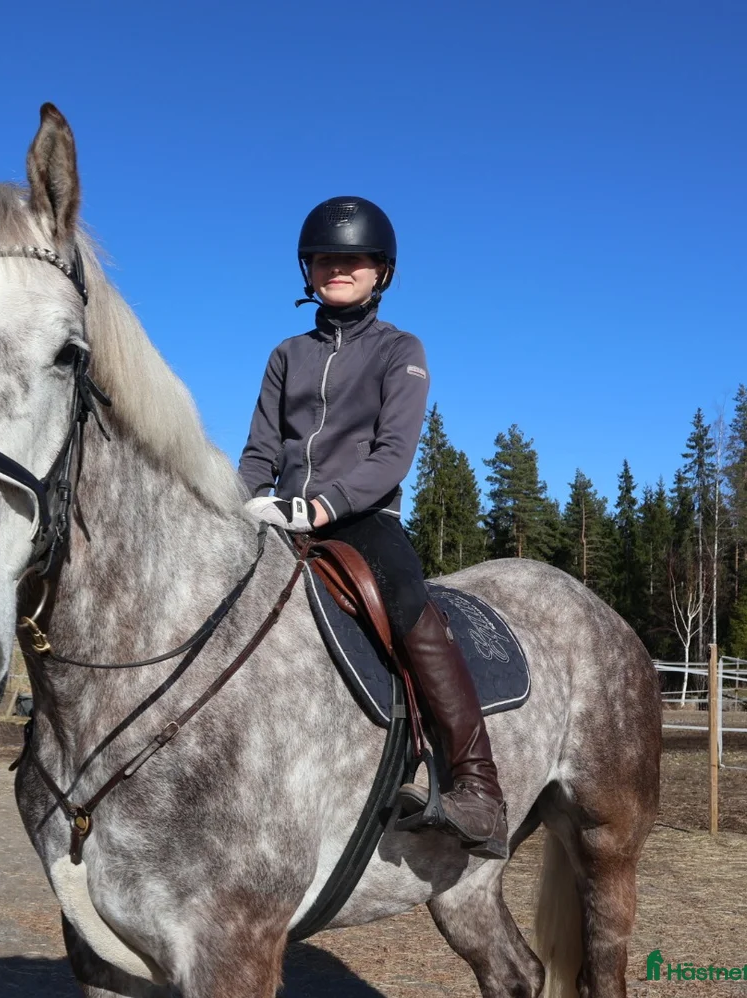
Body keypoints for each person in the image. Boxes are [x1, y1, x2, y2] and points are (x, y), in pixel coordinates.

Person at [237, 196, 507, 858]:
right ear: (309, 270)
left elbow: (392, 457)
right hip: (280, 520)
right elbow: (259, 455)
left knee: (408, 597)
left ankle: (477, 782)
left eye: (354, 259)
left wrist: (322, 505)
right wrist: (233, 501)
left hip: (359, 520)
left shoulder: (400, 351)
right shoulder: (286, 355)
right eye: (327, 258)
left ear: (381, 272)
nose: (339, 268)